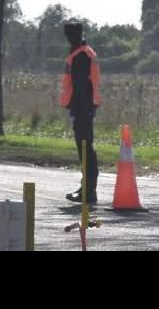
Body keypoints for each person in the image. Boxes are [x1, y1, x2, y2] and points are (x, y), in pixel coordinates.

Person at [61, 22, 101, 204]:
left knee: (85, 149)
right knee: (85, 148)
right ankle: (86, 187)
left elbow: (81, 85)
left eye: (70, 34)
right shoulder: (82, 52)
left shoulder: (81, 55)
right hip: (84, 106)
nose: (69, 37)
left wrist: (78, 107)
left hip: (82, 107)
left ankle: (89, 191)